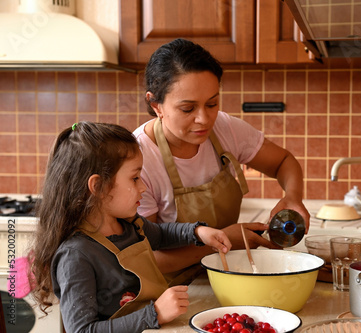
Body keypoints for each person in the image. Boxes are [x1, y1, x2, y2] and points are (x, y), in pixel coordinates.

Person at [133, 38, 310, 283]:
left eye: (212, 103)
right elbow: (146, 260)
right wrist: (223, 241)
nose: (204, 119)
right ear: (156, 105)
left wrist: (293, 196)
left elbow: (283, 162)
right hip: (173, 290)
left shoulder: (225, 128)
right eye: (188, 109)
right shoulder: (139, 160)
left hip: (226, 274)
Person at [29, 122, 232, 333]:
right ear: (98, 187)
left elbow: (161, 235)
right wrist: (154, 314)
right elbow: (82, 330)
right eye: (135, 178)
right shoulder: (76, 256)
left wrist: (196, 232)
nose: (143, 187)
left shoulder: (131, 224)